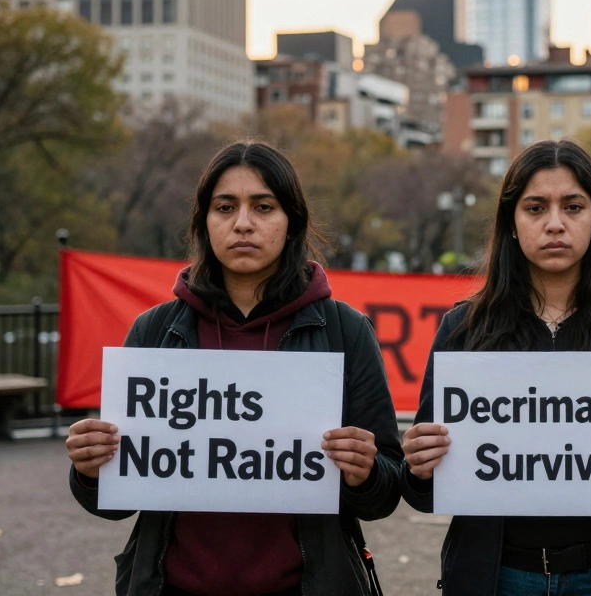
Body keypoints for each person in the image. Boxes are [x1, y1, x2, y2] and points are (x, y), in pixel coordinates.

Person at [65, 140, 402, 596]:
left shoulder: (345, 331)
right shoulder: (156, 330)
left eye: (263, 207)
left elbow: (385, 491)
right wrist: (90, 469)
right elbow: (114, 503)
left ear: (291, 222)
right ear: (204, 222)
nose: (243, 223)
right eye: (225, 207)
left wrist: (365, 472)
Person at [400, 139, 591, 596]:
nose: (555, 224)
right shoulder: (463, 329)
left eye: (573, 206)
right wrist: (419, 465)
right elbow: (425, 491)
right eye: (536, 208)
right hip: (494, 576)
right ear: (511, 223)